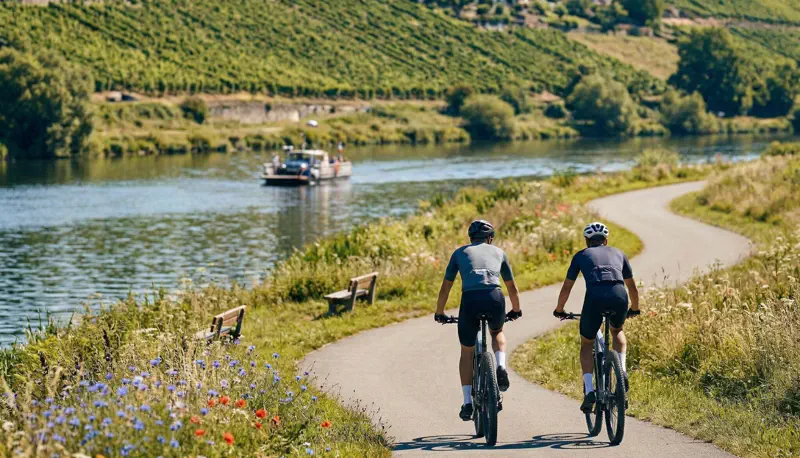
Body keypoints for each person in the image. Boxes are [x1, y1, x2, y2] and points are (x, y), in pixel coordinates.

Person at [435, 220, 522, 421]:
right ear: (490, 238)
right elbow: (512, 287)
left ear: (470, 238)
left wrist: (440, 312)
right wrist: (516, 310)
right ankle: (500, 366)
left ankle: (467, 403)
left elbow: (445, 287)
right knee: (497, 332)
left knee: (467, 351)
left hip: (470, 300)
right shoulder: (499, 253)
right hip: (495, 296)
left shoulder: (459, 253)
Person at [553, 222, 640, 413]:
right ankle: (622, 370)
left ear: (587, 241)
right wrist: (635, 308)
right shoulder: (619, 253)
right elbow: (632, 287)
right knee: (617, 330)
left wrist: (560, 309)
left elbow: (567, 286)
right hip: (619, 295)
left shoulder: (581, 256)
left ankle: (590, 390)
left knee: (587, 342)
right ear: (606, 240)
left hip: (594, 298)